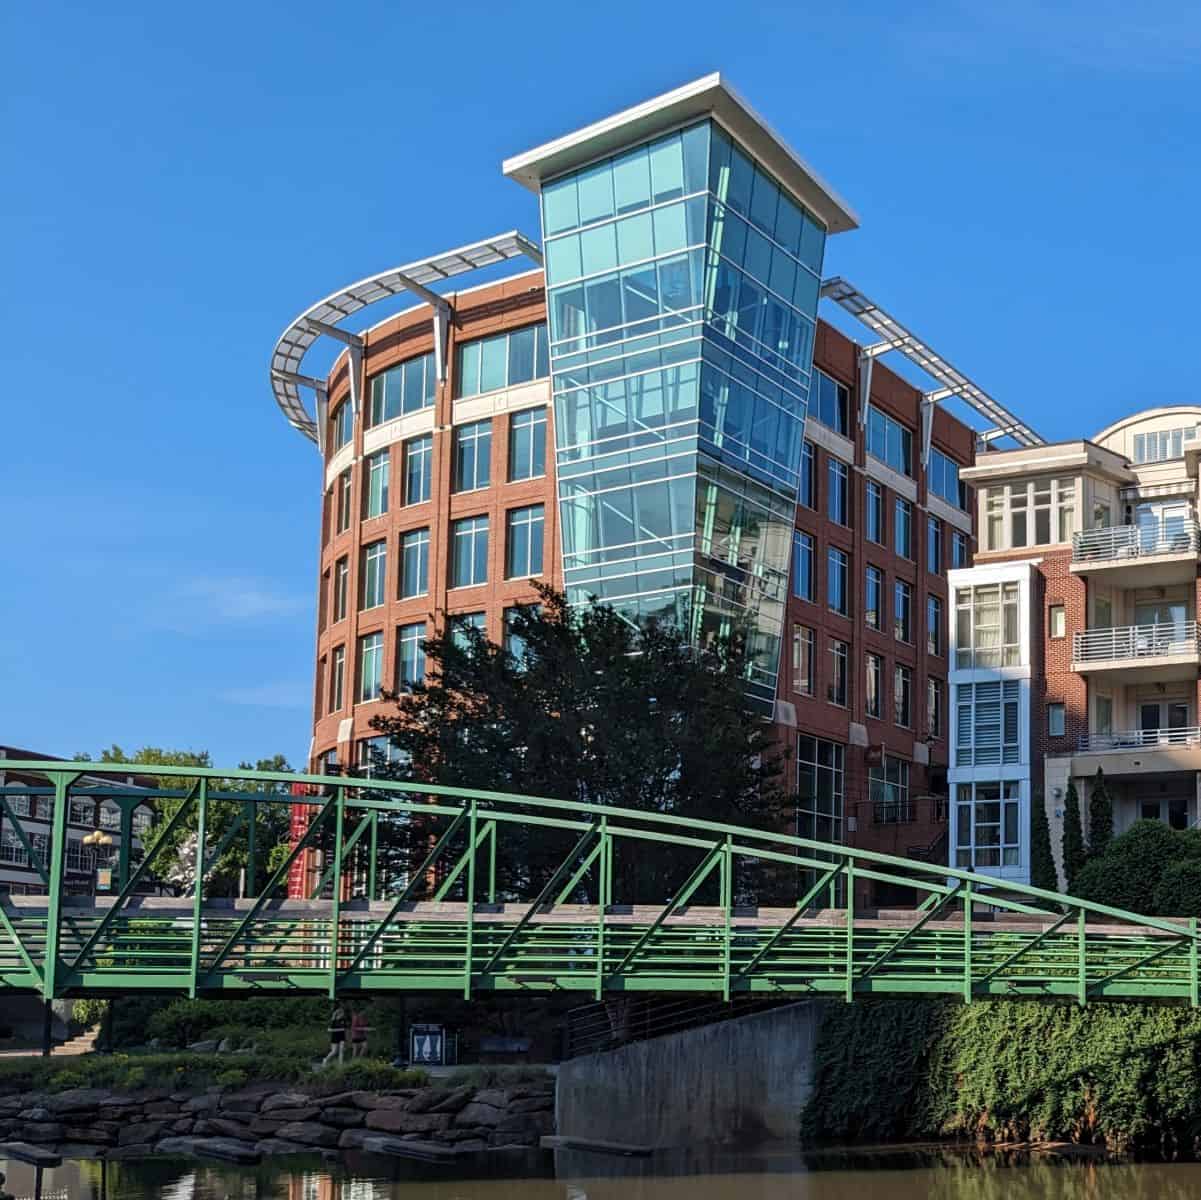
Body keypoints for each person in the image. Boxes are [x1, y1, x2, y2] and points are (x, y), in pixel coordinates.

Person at [323, 1002, 347, 1067]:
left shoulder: (343, 1020)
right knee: (334, 1051)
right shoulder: (334, 1021)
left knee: (341, 1050)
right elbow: (329, 1030)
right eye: (341, 1012)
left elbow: (345, 1028)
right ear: (337, 1014)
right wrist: (340, 1029)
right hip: (335, 1037)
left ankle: (340, 1064)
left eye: (343, 1012)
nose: (342, 1014)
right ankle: (325, 1059)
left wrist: (343, 1030)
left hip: (342, 1036)